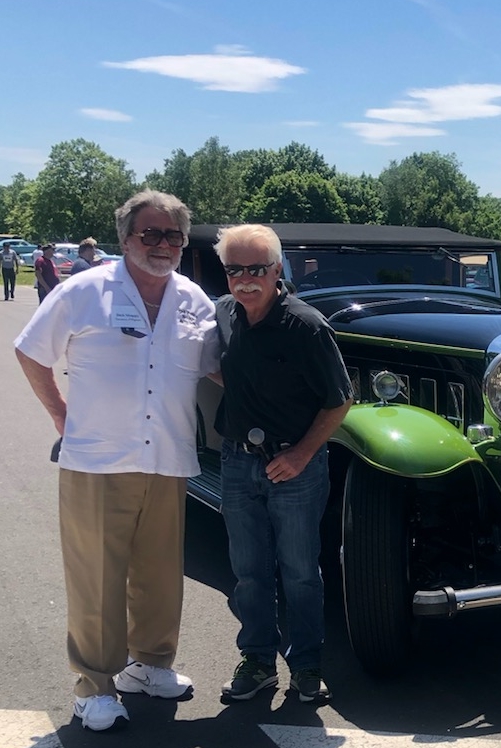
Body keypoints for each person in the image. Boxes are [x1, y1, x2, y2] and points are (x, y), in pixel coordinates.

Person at [14, 190, 217, 731]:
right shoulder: (83, 291)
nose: (163, 244)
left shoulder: (194, 300)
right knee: (97, 580)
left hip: (168, 458)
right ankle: (94, 687)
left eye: (173, 235)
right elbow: (30, 351)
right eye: (150, 233)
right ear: (125, 238)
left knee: (160, 573)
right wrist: (61, 416)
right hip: (97, 460)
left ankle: (149, 664)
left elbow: (220, 369)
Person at [213, 224, 353, 704]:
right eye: (235, 269)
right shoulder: (224, 314)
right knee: (248, 570)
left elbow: (340, 400)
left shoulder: (307, 325)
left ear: (277, 270)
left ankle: (308, 666)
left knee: (298, 571)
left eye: (256, 269)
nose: (245, 279)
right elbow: (222, 367)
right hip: (237, 463)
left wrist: (300, 454)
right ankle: (257, 661)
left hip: (295, 466)